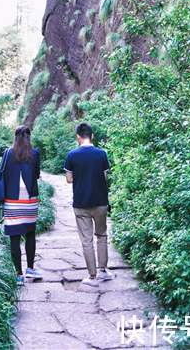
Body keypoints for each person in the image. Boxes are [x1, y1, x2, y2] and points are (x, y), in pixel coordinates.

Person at [65, 122, 113, 287]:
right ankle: (103, 271)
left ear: (78, 137)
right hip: (100, 202)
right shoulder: (102, 154)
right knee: (101, 235)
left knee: (86, 240)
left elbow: (69, 179)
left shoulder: (72, 155)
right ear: (92, 136)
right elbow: (105, 178)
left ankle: (92, 277)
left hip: (81, 203)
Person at [3, 126, 43, 285]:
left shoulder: (7, 154)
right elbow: (37, 174)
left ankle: (18, 275)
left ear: (15, 138)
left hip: (12, 200)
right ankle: (30, 269)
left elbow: (4, 174)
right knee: (30, 233)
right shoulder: (35, 153)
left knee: (14, 236)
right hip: (29, 200)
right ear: (28, 137)